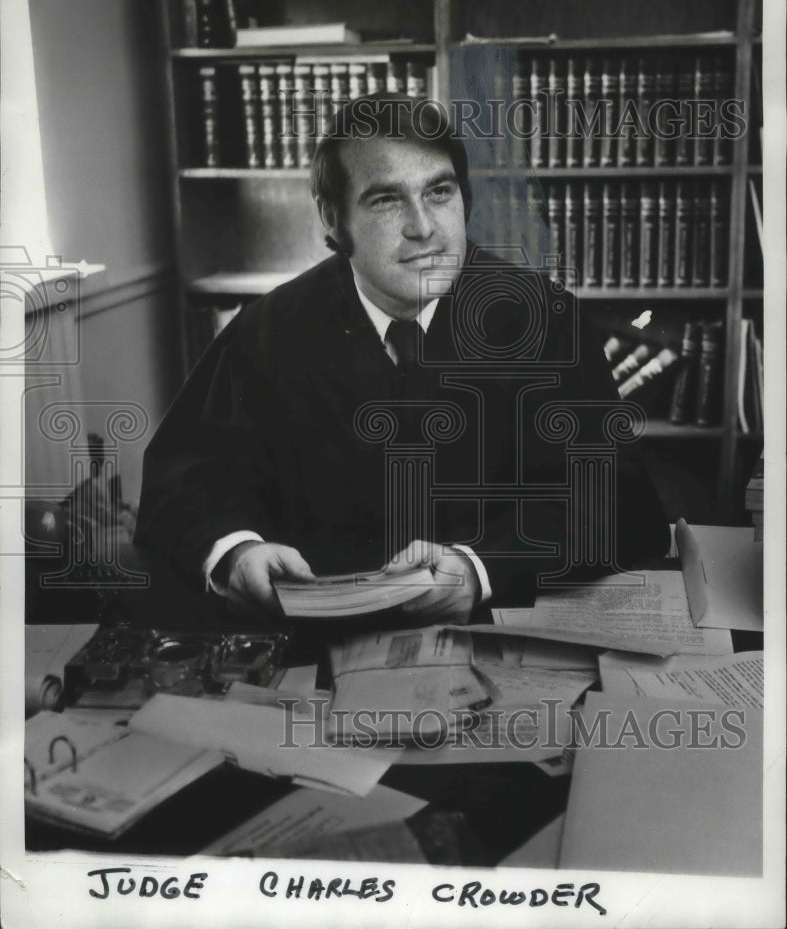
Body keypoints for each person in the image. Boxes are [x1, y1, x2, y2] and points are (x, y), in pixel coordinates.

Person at [135, 95, 670, 624]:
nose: (424, 227)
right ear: (333, 218)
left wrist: (480, 568)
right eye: (387, 200)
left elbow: (615, 500)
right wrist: (237, 552)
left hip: (494, 630)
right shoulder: (265, 334)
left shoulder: (546, 321)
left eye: (439, 192)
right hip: (315, 644)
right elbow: (185, 483)